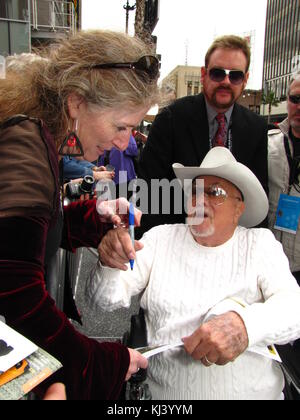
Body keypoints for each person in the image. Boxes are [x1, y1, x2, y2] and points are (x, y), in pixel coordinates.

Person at [0, 29, 161, 400]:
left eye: (132, 129)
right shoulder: (26, 145)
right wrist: (99, 360)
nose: (125, 143)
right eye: (120, 126)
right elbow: (16, 293)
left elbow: (23, 237)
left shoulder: (35, 135)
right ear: (75, 103)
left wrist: (94, 217)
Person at [87, 147, 300, 400]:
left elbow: (293, 308)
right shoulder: (160, 239)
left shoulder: (259, 244)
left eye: (216, 192)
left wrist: (245, 326)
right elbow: (103, 301)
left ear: (238, 208)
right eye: (195, 192)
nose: (201, 200)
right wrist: (112, 262)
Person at [137, 35, 268, 237]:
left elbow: (257, 195)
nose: (226, 81)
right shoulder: (171, 119)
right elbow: (149, 191)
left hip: (229, 248)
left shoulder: (257, 128)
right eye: (217, 73)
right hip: (176, 241)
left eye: (235, 76)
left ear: (245, 80)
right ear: (203, 74)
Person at [268, 72, 300, 399]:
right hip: (275, 267)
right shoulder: (270, 145)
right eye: (295, 99)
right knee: (277, 352)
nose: (299, 106)